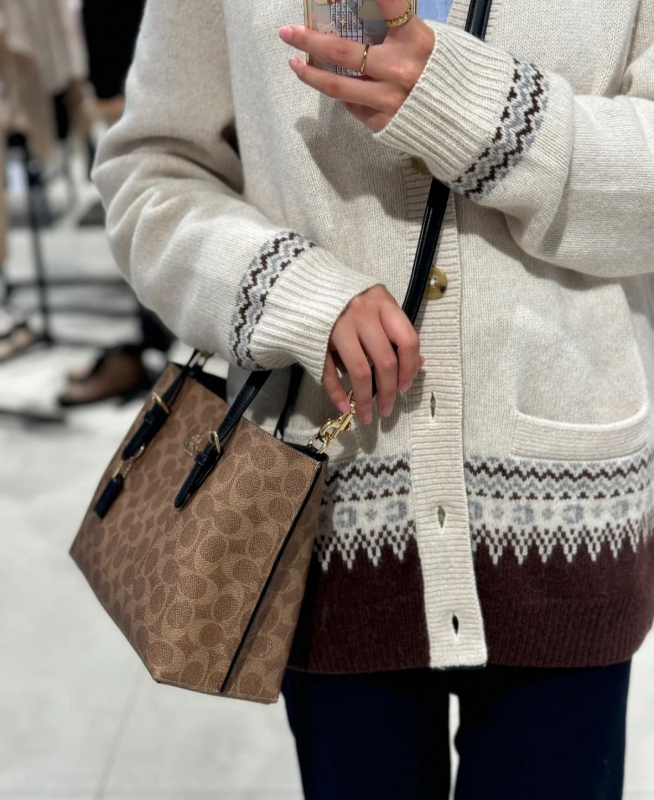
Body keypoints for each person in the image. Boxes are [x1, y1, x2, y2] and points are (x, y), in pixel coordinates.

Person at [91, 0, 654, 797]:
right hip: (327, 510)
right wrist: (286, 291)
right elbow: (150, 170)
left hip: (570, 522)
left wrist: (472, 108)